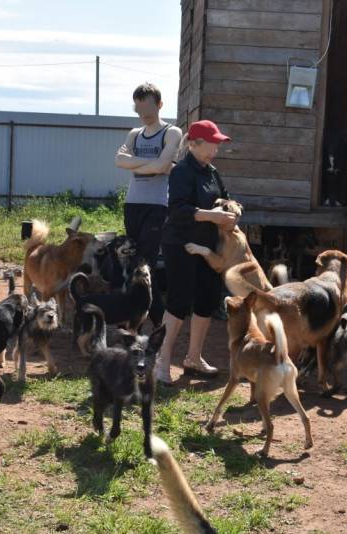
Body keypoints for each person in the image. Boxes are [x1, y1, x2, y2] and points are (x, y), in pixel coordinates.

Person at [154, 120, 236, 385]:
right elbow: (177, 210)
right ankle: (162, 360)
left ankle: (193, 358)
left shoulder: (212, 172)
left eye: (217, 144)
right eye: (212, 144)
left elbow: (226, 199)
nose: (216, 149)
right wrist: (211, 215)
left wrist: (232, 213)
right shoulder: (181, 172)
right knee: (179, 301)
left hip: (207, 246)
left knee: (207, 300)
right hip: (179, 244)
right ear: (194, 144)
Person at [114, 83, 182, 326]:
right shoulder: (134, 134)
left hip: (157, 205)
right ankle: (144, 321)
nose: (142, 112)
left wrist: (134, 162)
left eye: (147, 106)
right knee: (134, 262)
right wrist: (150, 163)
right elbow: (119, 161)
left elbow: (163, 167)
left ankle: (158, 322)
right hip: (133, 204)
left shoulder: (172, 132)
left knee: (146, 264)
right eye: (138, 107)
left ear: (159, 104)